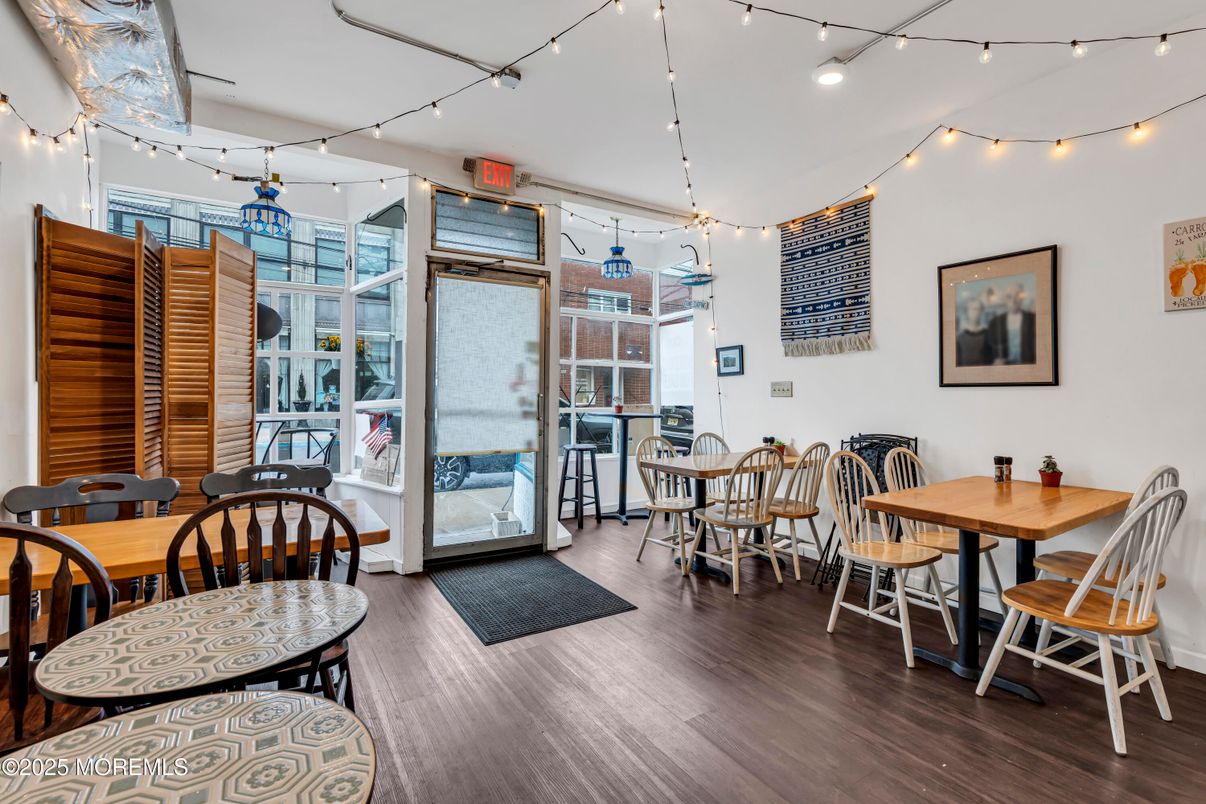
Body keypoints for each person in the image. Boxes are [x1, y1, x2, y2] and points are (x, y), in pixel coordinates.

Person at [988, 282, 1036, 365]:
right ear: (1005, 299)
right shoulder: (995, 322)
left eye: (1017, 296)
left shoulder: (1033, 319)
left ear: (1022, 298)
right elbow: (989, 349)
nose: (1013, 301)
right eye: (1009, 297)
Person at [955, 297, 992, 366]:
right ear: (967, 311)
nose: (976, 312)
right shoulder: (959, 337)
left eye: (979, 309)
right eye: (973, 309)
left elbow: (990, 360)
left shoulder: (988, 334)